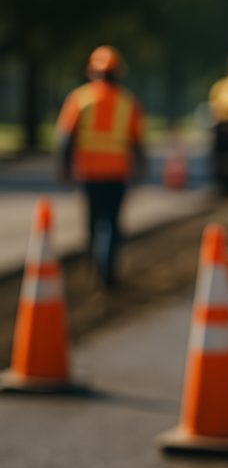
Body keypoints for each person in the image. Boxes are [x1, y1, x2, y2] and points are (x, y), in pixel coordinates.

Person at [55, 46, 146, 288]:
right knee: (112, 223)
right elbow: (137, 140)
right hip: (116, 173)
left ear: (93, 71)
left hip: (89, 172)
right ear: (117, 73)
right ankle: (108, 269)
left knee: (93, 222)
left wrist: (64, 166)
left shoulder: (79, 98)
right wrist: (141, 166)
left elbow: (65, 137)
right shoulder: (128, 101)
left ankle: (96, 264)